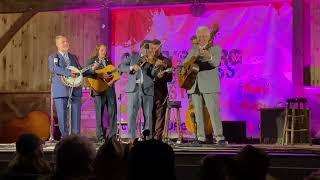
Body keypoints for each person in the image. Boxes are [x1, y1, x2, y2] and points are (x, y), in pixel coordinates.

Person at [48, 35, 98, 137]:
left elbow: (80, 72)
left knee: (76, 116)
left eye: (67, 41)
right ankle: (65, 138)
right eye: (63, 42)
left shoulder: (73, 57)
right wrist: (68, 72)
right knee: (62, 116)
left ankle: (76, 138)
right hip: (61, 90)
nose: (66, 43)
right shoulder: (53, 57)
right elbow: (54, 69)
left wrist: (92, 69)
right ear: (57, 44)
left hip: (75, 89)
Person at [183, 26, 226, 145]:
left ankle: (219, 137)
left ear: (209, 37)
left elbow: (216, 62)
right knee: (198, 113)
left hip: (209, 85)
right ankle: (200, 137)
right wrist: (185, 68)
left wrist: (209, 56)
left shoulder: (216, 49)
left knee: (213, 111)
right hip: (194, 85)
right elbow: (185, 64)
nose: (202, 38)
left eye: (204, 36)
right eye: (200, 36)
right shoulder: (193, 50)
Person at [119, 40, 158, 143]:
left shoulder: (152, 60)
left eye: (149, 48)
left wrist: (156, 66)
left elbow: (154, 74)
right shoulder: (133, 57)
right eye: (147, 48)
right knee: (131, 114)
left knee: (148, 115)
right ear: (141, 48)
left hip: (147, 88)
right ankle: (131, 138)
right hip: (133, 89)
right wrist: (132, 67)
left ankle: (148, 138)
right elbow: (121, 67)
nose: (148, 50)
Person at [86, 44, 117, 143]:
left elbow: (113, 74)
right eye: (102, 50)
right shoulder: (92, 60)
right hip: (98, 90)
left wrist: (114, 77)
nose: (104, 52)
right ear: (98, 50)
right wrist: (99, 74)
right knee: (99, 114)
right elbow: (87, 73)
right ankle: (100, 137)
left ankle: (112, 136)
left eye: (105, 50)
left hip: (110, 90)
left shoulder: (109, 61)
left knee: (113, 113)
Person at [150, 39, 173, 140]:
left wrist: (161, 76)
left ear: (160, 48)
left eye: (156, 49)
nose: (154, 51)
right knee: (149, 116)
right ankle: (149, 139)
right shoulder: (147, 60)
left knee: (160, 117)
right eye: (152, 48)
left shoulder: (166, 61)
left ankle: (157, 139)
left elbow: (170, 77)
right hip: (148, 93)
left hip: (161, 93)